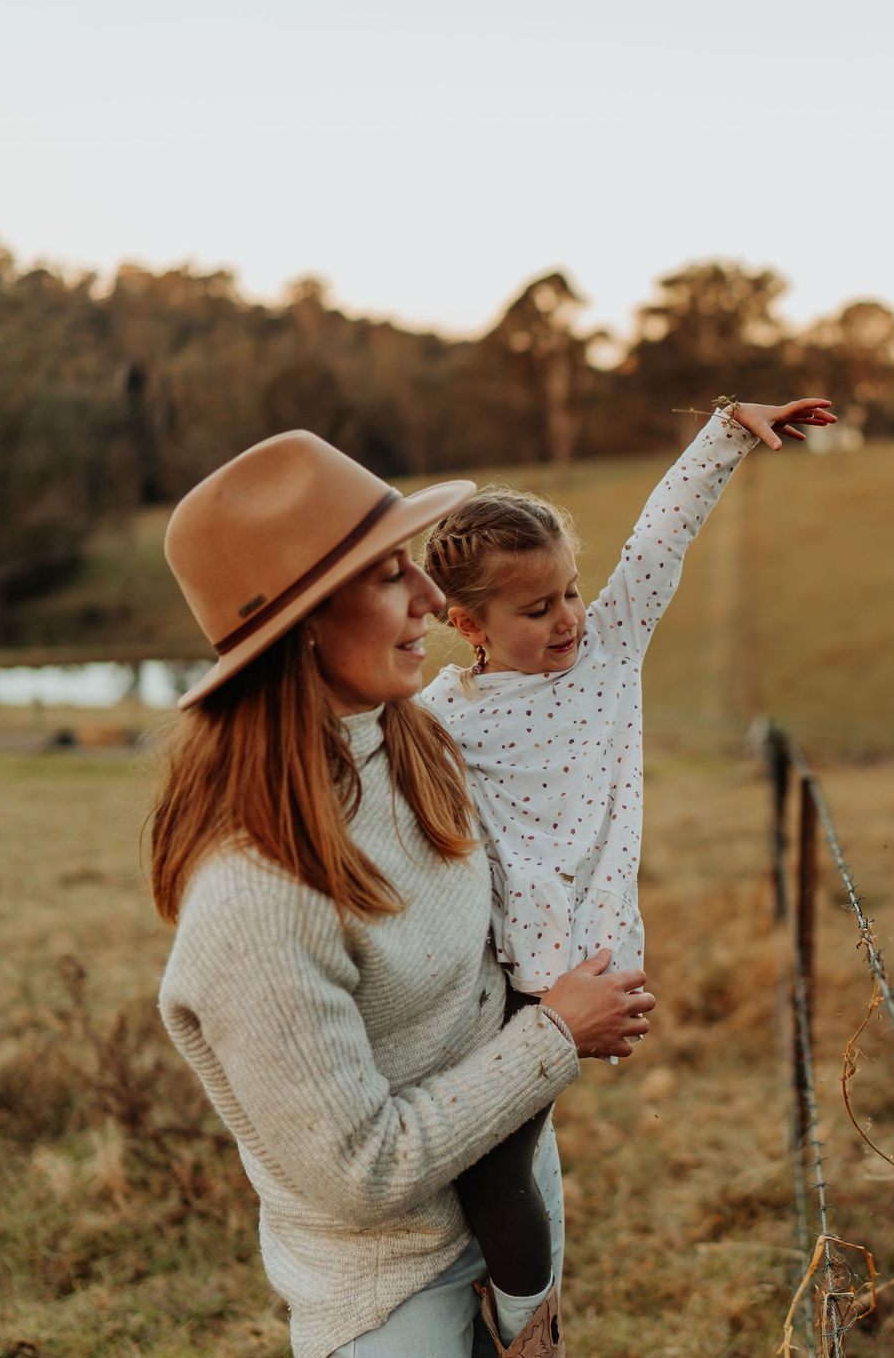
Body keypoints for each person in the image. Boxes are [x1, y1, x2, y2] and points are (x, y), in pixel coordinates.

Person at [148, 429, 655, 1358]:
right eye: (390, 575)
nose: (430, 595)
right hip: (394, 1293)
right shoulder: (252, 898)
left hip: (515, 1204)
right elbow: (361, 1170)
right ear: (302, 625)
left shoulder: (420, 742)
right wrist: (555, 1035)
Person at [417, 397, 835, 1346]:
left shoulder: (607, 651)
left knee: (490, 1172)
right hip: (474, 971)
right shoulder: (440, 717)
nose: (568, 616)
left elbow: (658, 540)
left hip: (570, 974)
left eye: (570, 590)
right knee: (467, 1166)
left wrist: (728, 430)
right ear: (467, 622)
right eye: (537, 608)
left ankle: (528, 1333)